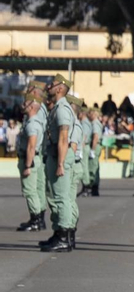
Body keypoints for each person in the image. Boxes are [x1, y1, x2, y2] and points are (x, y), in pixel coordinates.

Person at [38, 76, 79, 253]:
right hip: (56, 153)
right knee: (57, 196)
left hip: (59, 155)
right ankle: (59, 234)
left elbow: (63, 137)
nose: (49, 87)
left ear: (61, 88)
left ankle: (63, 237)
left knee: (61, 198)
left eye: (53, 85)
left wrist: (61, 163)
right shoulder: (57, 107)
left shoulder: (62, 109)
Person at [17, 82, 49, 232]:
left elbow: (32, 143)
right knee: (37, 187)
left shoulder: (36, 115)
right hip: (36, 154)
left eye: (29, 90)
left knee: (32, 189)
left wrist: (28, 165)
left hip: (34, 155)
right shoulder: (36, 114)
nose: (26, 94)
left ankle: (37, 218)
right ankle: (38, 218)